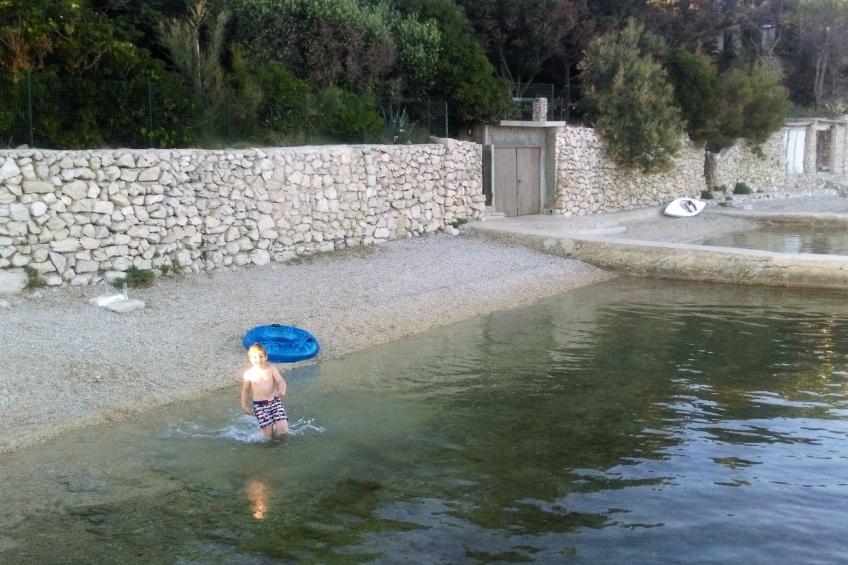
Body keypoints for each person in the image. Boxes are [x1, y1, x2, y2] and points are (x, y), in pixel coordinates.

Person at [241, 343, 288, 437]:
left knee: (283, 428)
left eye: (260, 356)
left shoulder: (271, 369)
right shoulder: (249, 374)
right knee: (268, 434)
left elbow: (280, 381)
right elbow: (245, 390)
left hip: (275, 401)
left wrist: (282, 389)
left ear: (266, 357)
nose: (258, 359)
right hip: (260, 405)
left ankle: (279, 445)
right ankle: (271, 445)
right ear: (250, 359)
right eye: (255, 357)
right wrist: (244, 405)